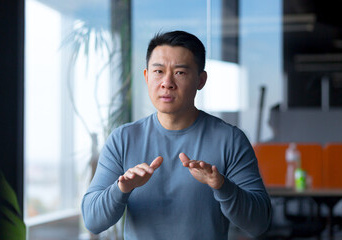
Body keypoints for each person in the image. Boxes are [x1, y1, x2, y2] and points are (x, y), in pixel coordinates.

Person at [82, 30, 271, 239]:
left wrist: (222, 186)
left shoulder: (230, 140)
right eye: (158, 71)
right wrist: (121, 189)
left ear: (201, 80)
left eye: (180, 72)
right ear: (146, 77)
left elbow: (260, 223)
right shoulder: (122, 139)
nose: (167, 82)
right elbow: (92, 220)